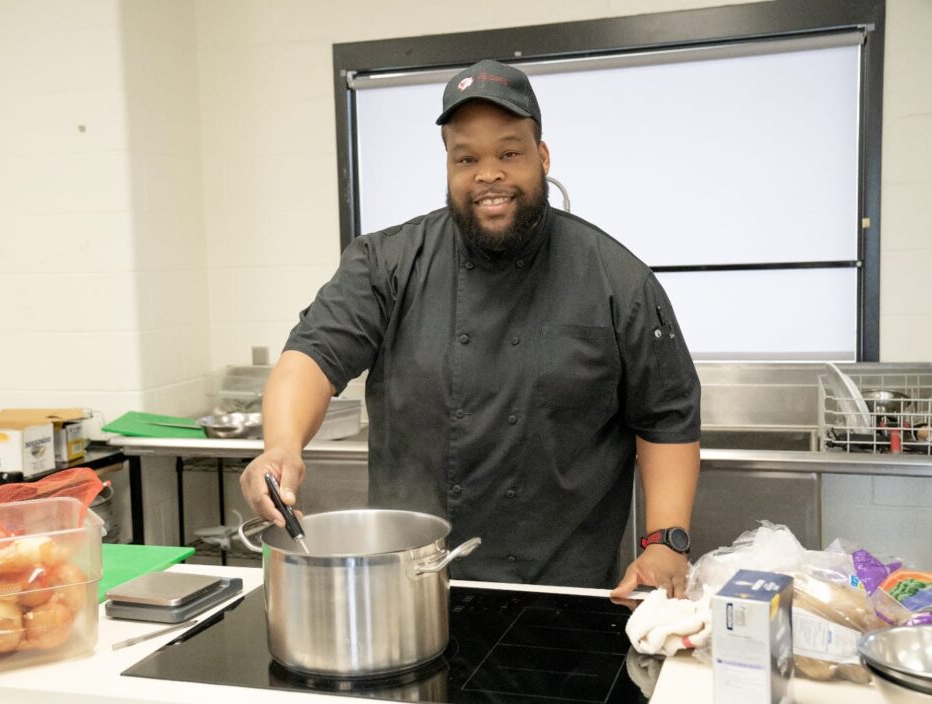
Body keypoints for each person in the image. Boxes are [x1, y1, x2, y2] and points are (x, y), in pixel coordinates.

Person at [239, 59, 701, 597]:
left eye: (509, 153)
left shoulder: (616, 277)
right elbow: (314, 354)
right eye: (467, 158)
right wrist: (281, 447)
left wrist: (665, 542)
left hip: (564, 593)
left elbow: (666, 416)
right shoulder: (387, 263)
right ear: (448, 168)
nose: (488, 174)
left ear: (542, 157)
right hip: (408, 588)